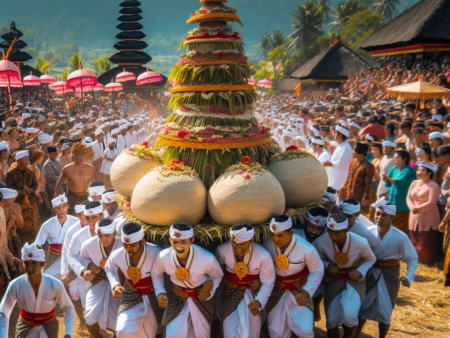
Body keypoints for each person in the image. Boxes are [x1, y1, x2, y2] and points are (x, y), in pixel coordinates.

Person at [355, 198, 418, 338]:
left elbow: (412, 258)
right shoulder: (368, 232)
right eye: (377, 214)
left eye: (384, 215)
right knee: (361, 306)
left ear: (391, 217)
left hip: (390, 274)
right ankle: (355, 333)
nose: (379, 218)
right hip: (369, 271)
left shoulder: (400, 237)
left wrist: (408, 276)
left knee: (386, 310)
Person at [152, 223, 224, 338]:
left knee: (201, 335)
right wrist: (160, 292)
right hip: (176, 299)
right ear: (170, 240)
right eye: (175, 242)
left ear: (192, 240)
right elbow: (156, 273)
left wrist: (210, 292)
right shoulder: (163, 257)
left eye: (184, 242)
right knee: (173, 335)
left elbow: (218, 275)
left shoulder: (207, 258)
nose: (179, 246)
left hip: (201, 299)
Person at [313, 214, 376, 338]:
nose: (333, 236)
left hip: (354, 279)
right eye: (330, 231)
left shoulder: (361, 242)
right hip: (334, 279)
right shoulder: (320, 242)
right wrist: (326, 266)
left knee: (350, 316)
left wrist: (360, 272)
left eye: (337, 232)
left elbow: (371, 259)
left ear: (346, 230)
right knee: (331, 320)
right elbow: (314, 258)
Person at [263, 216, 324, 338]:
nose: (276, 239)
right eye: (273, 234)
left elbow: (317, 271)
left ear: (291, 232)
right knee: (276, 332)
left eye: (280, 235)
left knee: (305, 331)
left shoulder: (307, 249)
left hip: (299, 292)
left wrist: (306, 293)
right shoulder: (266, 246)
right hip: (276, 293)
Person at [0, 243, 75, 338]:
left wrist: (68, 333)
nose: (30, 267)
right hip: (25, 328)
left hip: (49, 328)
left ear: (42, 264)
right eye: (27, 263)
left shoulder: (55, 284)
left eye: (34, 263)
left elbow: (68, 308)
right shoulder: (15, 285)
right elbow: (3, 313)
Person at [215, 224, 275, 338]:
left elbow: (268, 282)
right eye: (234, 244)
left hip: (254, 296)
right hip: (230, 295)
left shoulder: (263, 255)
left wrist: (259, 301)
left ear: (251, 240)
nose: (238, 248)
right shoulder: (222, 250)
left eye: (242, 244)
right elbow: (217, 275)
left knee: (252, 334)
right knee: (229, 334)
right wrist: (226, 280)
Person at [105, 221, 162, 338]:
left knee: (153, 333)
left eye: (132, 245)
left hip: (153, 297)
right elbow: (109, 268)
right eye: (125, 245)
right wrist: (115, 285)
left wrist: (162, 293)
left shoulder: (157, 252)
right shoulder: (118, 254)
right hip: (130, 295)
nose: (128, 249)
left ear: (142, 241)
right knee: (122, 331)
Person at [79, 218, 122, 337]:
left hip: (119, 283)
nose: (103, 239)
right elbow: (82, 259)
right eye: (100, 235)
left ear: (114, 233)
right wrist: (89, 266)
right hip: (98, 281)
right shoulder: (89, 245)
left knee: (117, 319)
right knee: (90, 317)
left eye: (107, 235)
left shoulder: (123, 244)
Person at [34, 194, 79, 280]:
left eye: (64, 206)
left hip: (71, 256)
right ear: (53, 210)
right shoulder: (46, 225)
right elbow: (37, 244)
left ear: (68, 206)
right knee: (45, 279)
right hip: (52, 257)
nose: (62, 210)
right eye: (58, 208)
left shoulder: (76, 222)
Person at [61, 202, 89, 333]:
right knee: (73, 292)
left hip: (92, 267)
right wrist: (64, 272)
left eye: (84, 214)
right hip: (75, 267)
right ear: (77, 215)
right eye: (79, 214)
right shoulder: (72, 231)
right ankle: (82, 320)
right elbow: (65, 253)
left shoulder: (95, 226)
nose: (82, 217)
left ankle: (93, 323)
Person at [407, 161, 441, 264]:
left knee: (426, 239)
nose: (419, 172)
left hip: (428, 215)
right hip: (414, 214)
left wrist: (419, 209)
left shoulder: (433, 186)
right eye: (418, 170)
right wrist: (412, 207)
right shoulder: (414, 183)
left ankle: (426, 261)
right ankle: (415, 259)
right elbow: (409, 197)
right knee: (414, 236)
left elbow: (431, 202)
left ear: (429, 173)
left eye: (422, 170)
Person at [5, 150, 40, 244]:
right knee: (21, 227)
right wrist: (21, 191)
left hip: (31, 204)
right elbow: (9, 190)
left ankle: (35, 244)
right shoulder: (11, 173)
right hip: (19, 205)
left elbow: (35, 185)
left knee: (34, 226)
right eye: (26, 159)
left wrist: (30, 190)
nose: (28, 161)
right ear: (19, 160)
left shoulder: (30, 172)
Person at [54, 143, 98, 216]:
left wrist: (96, 196)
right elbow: (59, 184)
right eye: (78, 154)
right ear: (73, 154)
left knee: (85, 218)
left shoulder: (90, 168)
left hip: (85, 197)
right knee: (72, 218)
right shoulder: (67, 169)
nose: (80, 156)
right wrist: (55, 199)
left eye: (82, 154)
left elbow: (97, 182)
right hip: (72, 198)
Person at [382, 150, 416, 235]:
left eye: (397, 158)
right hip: (392, 203)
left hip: (402, 205)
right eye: (394, 158)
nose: (395, 160)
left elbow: (398, 181)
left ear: (404, 159)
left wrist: (387, 178)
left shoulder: (409, 170)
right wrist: (386, 178)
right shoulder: (394, 168)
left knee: (401, 229)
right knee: (391, 227)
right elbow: (388, 182)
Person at [339, 143, 375, 211]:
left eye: (354, 150)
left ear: (360, 153)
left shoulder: (368, 166)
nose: (352, 152)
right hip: (349, 193)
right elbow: (349, 177)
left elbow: (368, 184)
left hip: (359, 197)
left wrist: (366, 198)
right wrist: (343, 187)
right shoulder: (353, 162)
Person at [323, 125, 353, 191]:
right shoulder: (341, 145)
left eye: (335, 133)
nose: (333, 134)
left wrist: (329, 163)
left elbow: (340, 163)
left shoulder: (345, 148)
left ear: (340, 136)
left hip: (339, 180)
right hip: (335, 178)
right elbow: (333, 143)